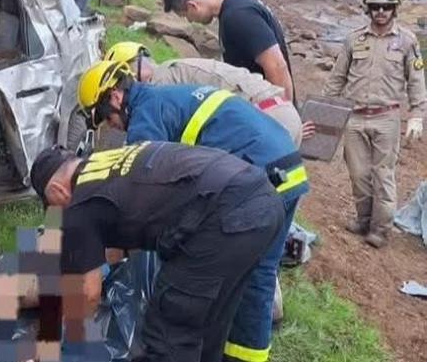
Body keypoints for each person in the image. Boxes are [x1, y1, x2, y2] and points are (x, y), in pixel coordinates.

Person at [77, 60, 309, 362]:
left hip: (262, 176)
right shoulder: (165, 97)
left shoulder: (145, 119)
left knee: (235, 278)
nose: (112, 126)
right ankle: (239, 351)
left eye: (106, 118)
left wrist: (104, 259)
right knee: (256, 276)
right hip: (287, 168)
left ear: (116, 97)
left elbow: (140, 202)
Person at [30, 141, 284, 362]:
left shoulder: (77, 205)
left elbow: (87, 294)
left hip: (221, 218)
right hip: (263, 201)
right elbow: (118, 238)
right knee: (210, 322)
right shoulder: (108, 164)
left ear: (56, 191)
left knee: (169, 331)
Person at [322, 0, 426, 248]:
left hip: (387, 118)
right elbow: (337, 78)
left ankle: (380, 229)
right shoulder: (353, 39)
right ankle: (363, 219)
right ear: (368, 8)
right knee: (358, 174)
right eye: (376, 6)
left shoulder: (407, 41)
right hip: (354, 116)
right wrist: (324, 112)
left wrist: (417, 115)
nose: (381, 11)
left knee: (383, 175)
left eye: (386, 7)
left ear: (395, 9)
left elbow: (416, 81)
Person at [105, 41, 303, 145]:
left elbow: (148, 150)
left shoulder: (159, 85)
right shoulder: (174, 69)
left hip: (264, 119)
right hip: (280, 111)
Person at [163, 0, 296, 103]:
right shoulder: (235, 5)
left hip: (270, 108)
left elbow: (277, 66)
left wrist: (283, 111)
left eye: (186, 16)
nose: (190, 21)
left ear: (192, 6)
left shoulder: (239, 16)